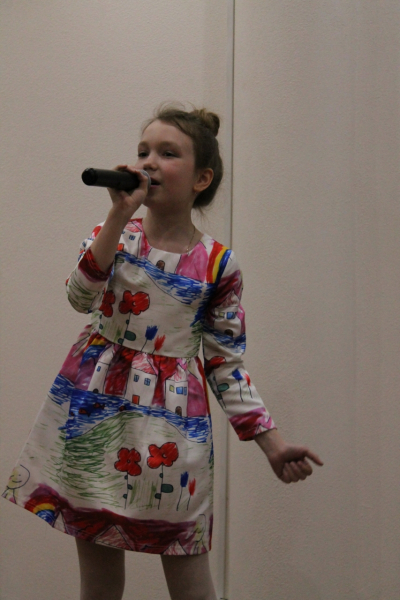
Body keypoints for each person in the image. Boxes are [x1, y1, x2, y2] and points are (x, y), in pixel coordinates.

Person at [3, 105, 323, 600]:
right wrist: (117, 214)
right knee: (98, 580)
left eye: (168, 153)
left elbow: (225, 364)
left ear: (201, 178)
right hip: (93, 411)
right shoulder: (116, 234)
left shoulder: (218, 265)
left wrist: (273, 444)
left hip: (171, 428)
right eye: (143, 151)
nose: (149, 162)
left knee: (188, 570)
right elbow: (80, 296)